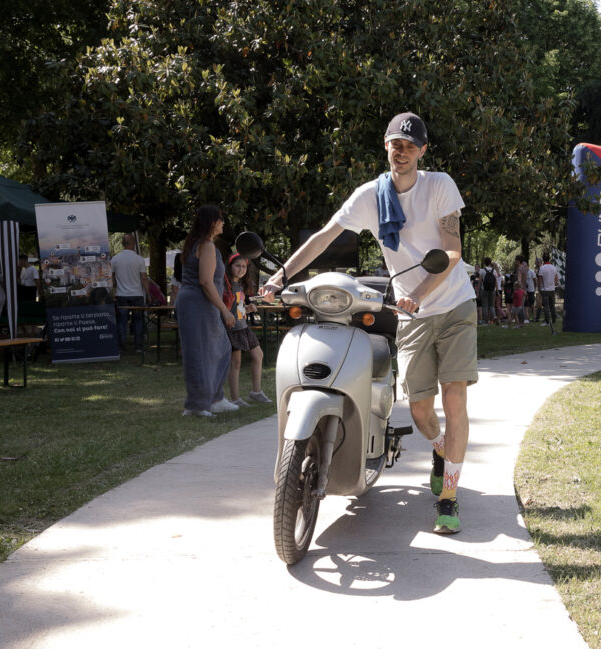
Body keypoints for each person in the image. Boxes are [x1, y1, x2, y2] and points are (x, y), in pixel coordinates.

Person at [262, 112, 476, 535]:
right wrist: (281, 275)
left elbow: (451, 252)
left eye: (410, 146)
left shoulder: (439, 186)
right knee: (419, 412)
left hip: (452, 305)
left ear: (423, 151)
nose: (402, 152)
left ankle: (449, 498)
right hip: (411, 315)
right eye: (396, 144)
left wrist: (421, 293)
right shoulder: (370, 196)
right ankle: (439, 450)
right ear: (385, 145)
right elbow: (323, 237)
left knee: (453, 401)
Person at [175, 205, 236, 417]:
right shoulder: (207, 246)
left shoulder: (195, 243)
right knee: (199, 353)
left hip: (199, 303)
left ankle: (215, 398)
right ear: (212, 222)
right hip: (197, 303)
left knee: (221, 348)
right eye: (220, 219)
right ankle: (197, 405)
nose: (223, 223)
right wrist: (225, 311)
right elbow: (206, 282)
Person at [223, 252, 271, 408]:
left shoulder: (240, 286)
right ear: (230, 267)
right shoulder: (225, 285)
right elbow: (225, 308)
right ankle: (235, 398)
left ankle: (256, 392)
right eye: (237, 266)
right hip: (233, 329)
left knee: (258, 355)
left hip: (244, 327)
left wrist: (247, 309)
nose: (241, 269)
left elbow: (238, 308)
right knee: (235, 363)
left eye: (244, 266)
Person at [111, 234, 150, 354]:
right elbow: (144, 278)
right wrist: (148, 295)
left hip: (121, 295)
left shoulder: (115, 259)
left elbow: (111, 279)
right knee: (138, 321)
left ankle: (121, 347)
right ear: (133, 243)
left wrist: (115, 287)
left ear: (123, 244)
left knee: (122, 322)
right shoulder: (139, 259)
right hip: (137, 295)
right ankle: (138, 347)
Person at [538, 253, 559, 328]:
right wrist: (553, 283)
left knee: (546, 306)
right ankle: (554, 319)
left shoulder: (542, 268)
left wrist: (539, 289)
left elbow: (540, 280)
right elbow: (556, 279)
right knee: (552, 305)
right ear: (549, 258)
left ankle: (547, 321)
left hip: (544, 290)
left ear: (543, 259)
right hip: (552, 289)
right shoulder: (554, 267)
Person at [478, 256, 497, 325]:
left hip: (484, 290)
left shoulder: (482, 270)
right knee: (491, 305)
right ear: (490, 262)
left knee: (485, 305)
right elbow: (495, 282)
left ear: (484, 263)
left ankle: (485, 321)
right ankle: (494, 316)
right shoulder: (494, 271)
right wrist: (496, 290)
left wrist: (478, 292)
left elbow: (480, 281)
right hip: (492, 290)